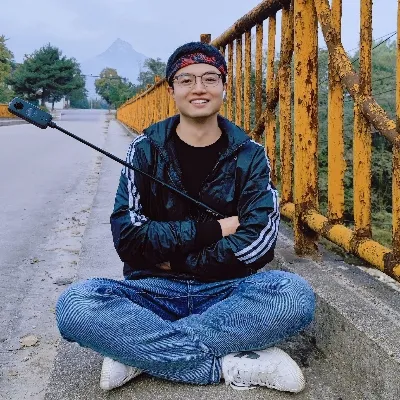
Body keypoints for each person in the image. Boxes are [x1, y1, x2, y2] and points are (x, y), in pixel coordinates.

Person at [56, 42, 315, 394]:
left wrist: (180, 259)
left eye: (209, 78)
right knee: (76, 305)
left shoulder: (250, 155)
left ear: (223, 86)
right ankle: (226, 365)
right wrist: (215, 229)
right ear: (172, 89)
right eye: (186, 79)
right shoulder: (144, 149)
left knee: (293, 296)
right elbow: (129, 239)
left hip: (226, 291)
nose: (198, 88)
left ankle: (139, 352)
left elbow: (258, 242)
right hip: (152, 290)